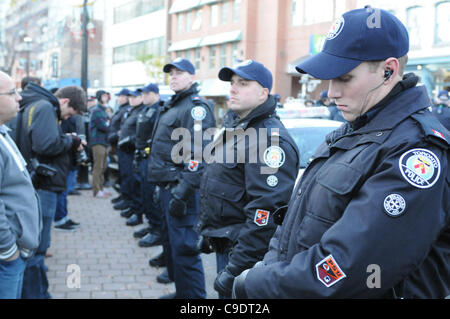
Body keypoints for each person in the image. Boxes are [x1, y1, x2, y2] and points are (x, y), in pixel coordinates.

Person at [232, 7, 449, 299]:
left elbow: (349, 266)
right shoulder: (355, 129)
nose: (331, 92)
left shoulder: (415, 151)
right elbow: (296, 223)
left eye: (344, 78)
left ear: (389, 70)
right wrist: (268, 268)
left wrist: (258, 283)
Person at [197, 60, 299, 298]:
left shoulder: (270, 141)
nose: (232, 89)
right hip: (227, 245)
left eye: (243, 83)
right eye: (232, 83)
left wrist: (235, 270)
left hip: (244, 258)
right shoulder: (240, 131)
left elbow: (265, 216)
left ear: (263, 93)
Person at [147, 58, 216, 299]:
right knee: (176, 248)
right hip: (170, 187)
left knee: (186, 249)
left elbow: (199, 154)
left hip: (182, 191)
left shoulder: (195, 107)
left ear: (192, 77)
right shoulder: (176, 104)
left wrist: (182, 191)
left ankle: (195, 299)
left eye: (179, 73)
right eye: (171, 73)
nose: (173, 77)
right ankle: (183, 294)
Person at [12, 83, 86, 299]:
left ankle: (39, 292)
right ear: (64, 101)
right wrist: (71, 141)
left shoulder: (40, 106)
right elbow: (45, 145)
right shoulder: (45, 107)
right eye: (69, 113)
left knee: (36, 247)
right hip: (43, 185)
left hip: (40, 184)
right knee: (38, 247)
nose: (65, 118)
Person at [0, 71, 40, 299]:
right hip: (7, 259)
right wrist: (8, 251)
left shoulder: (4, 133)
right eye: (12, 93)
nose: (19, 98)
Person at [133, 83, 164, 248]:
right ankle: (151, 225)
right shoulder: (145, 110)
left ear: (155, 94)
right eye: (142, 94)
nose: (143, 96)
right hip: (142, 157)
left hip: (152, 158)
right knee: (145, 193)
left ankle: (157, 230)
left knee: (152, 195)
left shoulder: (159, 110)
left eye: (147, 93)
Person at [116, 89, 146, 226]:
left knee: (134, 182)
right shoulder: (132, 110)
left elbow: (143, 134)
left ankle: (136, 211)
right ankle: (131, 205)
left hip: (133, 151)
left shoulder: (142, 111)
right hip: (125, 150)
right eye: (130, 97)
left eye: (135, 97)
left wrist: (129, 140)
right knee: (126, 177)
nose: (132, 99)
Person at [109, 89, 131, 206]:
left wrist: (114, 136)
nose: (118, 98)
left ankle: (126, 198)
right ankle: (123, 196)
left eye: (121, 96)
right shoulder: (121, 109)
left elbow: (122, 129)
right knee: (122, 173)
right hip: (117, 145)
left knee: (126, 174)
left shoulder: (126, 110)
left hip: (123, 145)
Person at [89, 90, 112, 198]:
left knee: (103, 167)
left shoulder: (104, 110)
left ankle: (101, 188)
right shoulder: (97, 110)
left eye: (106, 95)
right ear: (99, 97)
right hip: (98, 142)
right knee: (98, 167)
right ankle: (96, 190)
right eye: (103, 96)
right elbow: (104, 126)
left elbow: (107, 124)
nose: (106, 97)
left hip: (104, 142)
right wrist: (108, 123)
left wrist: (108, 123)